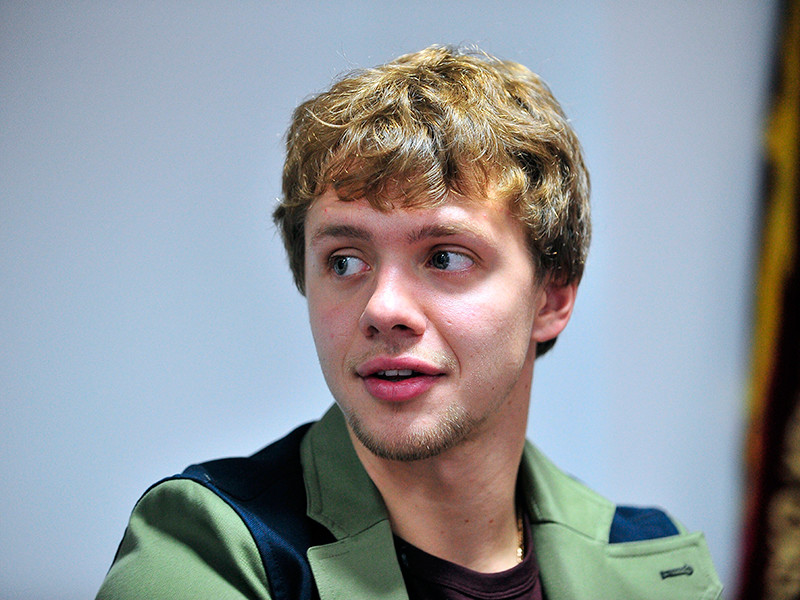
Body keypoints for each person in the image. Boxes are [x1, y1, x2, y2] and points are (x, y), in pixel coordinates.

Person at [97, 45, 722, 599]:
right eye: (345, 261)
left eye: (445, 257)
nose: (382, 309)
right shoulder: (211, 551)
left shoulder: (649, 561)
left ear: (551, 299)